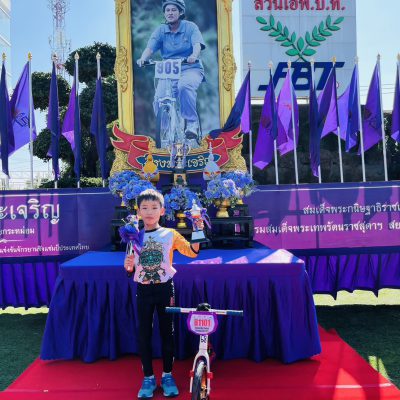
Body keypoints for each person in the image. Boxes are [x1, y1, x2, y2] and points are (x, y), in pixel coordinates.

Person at [124, 188, 201, 398]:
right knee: (144, 334)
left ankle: (167, 375)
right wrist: (128, 266)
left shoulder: (170, 234)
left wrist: (198, 228)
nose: (149, 212)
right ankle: (148, 377)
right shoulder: (133, 236)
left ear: (162, 210)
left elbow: (193, 252)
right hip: (143, 290)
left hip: (165, 289)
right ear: (138, 212)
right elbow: (130, 269)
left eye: (154, 207)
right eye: (145, 208)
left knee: (168, 333)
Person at [137, 0, 205, 145]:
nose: (170, 13)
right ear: (164, 14)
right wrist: (143, 58)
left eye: (174, 10)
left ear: (180, 12)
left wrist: (194, 55)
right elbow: (150, 48)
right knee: (159, 99)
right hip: (168, 70)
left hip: (189, 67)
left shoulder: (190, 27)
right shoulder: (160, 30)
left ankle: (191, 123)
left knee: (184, 86)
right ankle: (166, 130)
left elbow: (197, 44)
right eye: (167, 10)